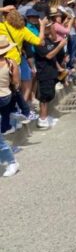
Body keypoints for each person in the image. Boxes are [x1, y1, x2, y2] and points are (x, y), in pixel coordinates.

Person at [34, 20, 68, 127]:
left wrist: (59, 68)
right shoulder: (38, 42)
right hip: (44, 73)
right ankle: (42, 119)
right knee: (44, 97)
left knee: (49, 96)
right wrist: (60, 46)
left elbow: (53, 56)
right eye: (48, 27)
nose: (51, 28)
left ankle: (45, 116)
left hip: (51, 72)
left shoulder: (48, 39)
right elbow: (49, 55)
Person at [0, 36, 20, 176]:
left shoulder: (10, 63)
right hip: (6, 96)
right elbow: (16, 83)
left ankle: (11, 161)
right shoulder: (11, 63)